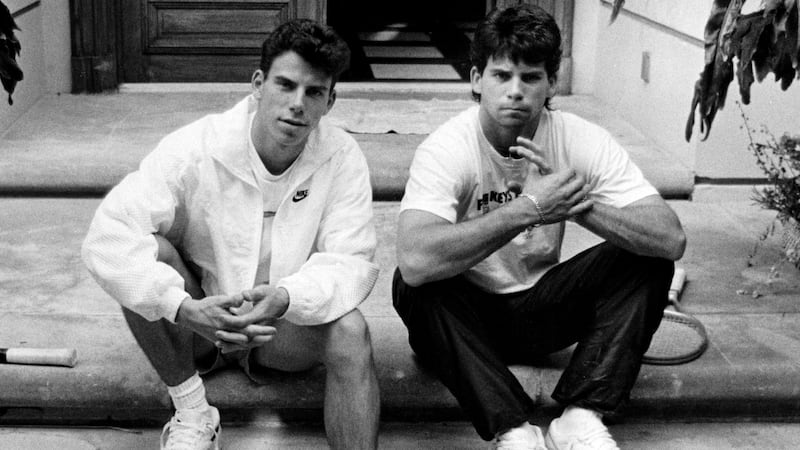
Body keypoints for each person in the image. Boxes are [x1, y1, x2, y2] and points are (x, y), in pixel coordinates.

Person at [392, 5, 686, 450]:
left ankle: (581, 417)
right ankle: (515, 430)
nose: (515, 92)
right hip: (467, 318)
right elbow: (414, 260)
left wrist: (576, 206)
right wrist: (529, 208)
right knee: (412, 284)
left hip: (544, 309)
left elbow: (670, 237)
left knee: (649, 259)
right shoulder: (447, 148)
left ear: (551, 82)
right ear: (475, 79)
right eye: (501, 75)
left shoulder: (580, 139)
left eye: (530, 78)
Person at [82, 19, 380, 450]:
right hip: (200, 325)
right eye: (285, 85)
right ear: (258, 83)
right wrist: (184, 308)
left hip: (278, 328)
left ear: (330, 102)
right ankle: (193, 413)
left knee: (351, 330)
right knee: (145, 257)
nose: (297, 104)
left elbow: (353, 260)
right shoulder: (196, 146)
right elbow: (107, 237)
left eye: (314, 92)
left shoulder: (342, 157)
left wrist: (286, 297)